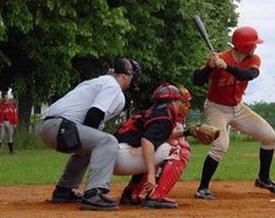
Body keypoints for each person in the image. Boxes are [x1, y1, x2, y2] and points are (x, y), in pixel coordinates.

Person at [193, 26, 275, 200]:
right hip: (216, 107)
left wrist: (225, 67)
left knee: (270, 137)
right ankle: (202, 188)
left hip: (238, 108)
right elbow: (197, 80)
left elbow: (247, 75)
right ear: (246, 46)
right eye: (253, 44)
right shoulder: (221, 58)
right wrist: (209, 68)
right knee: (221, 145)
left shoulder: (253, 59)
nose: (256, 47)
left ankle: (263, 179)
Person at [39, 58, 140, 211]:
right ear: (126, 76)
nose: (131, 81)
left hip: (52, 127)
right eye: (132, 77)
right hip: (61, 127)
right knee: (108, 141)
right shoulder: (113, 86)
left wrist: (85, 147)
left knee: (94, 145)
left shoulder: (97, 82)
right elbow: (95, 113)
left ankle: (64, 190)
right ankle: (94, 193)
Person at [113, 83, 192, 209]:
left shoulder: (152, 113)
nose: (181, 105)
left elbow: (158, 138)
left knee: (158, 148)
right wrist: (151, 173)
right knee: (180, 148)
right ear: (173, 102)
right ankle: (156, 196)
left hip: (112, 157)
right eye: (179, 101)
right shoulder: (164, 116)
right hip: (122, 157)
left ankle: (130, 193)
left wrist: (187, 132)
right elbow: (147, 141)